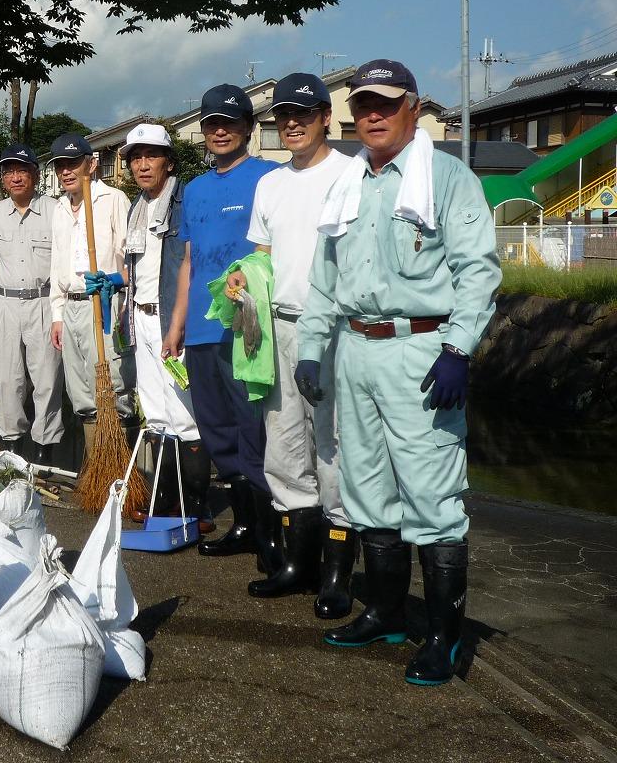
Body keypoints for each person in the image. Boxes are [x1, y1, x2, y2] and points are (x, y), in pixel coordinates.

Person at [296, 59, 500, 686]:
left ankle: (445, 638)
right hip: (355, 350)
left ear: (414, 107)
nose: (373, 115)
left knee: (432, 496)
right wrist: (311, 346)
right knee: (366, 488)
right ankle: (385, 610)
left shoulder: (447, 178)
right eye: (362, 106)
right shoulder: (347, 184)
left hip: (421, 351)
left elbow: (479, 270)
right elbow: (325, 281)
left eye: (385, 103)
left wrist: (459, 349)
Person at [224, 74, 355, 611]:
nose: (293, 122)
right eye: (284, 115)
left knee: (335, 447)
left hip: (335, 330)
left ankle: (337, 572)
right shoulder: (270, 184)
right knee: (283, 445)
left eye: (304, 112)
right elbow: (261, 256)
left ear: (327, 116)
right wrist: (240, 277)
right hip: (275, 325)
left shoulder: (353, 175)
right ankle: (298, 564)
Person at [162, 84, 281, 572]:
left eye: (230, 121)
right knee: (215, 427)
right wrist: (177, 325)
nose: (220, 129)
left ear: (249, 128)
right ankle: (246, 525)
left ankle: (271, 531)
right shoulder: (195, 189)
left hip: (248, 326)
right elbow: (189, 262)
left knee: (254, 426)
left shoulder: (270, 178)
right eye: (211, 122)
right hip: (203, 330)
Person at [119, 122, 212, 530]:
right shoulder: (136, 205)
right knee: (155, 412)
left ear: (168, 161)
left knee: (184, 411)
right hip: (139, 316)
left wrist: (180, 324)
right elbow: (135, 264)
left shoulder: (184, 201)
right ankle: (164, 500)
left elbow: (190, 265)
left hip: (172, 319)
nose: (142, 165)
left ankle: (195, 506)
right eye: (135, 158)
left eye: (150, 156)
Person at [0, 143, 64, 465]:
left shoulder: (55, 210)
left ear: (35, 174)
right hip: (5, 305)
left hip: (44, 303)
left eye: (21, 170)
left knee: (47, 380)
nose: (15, 177)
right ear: (2, 179)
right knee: (8, 380)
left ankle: (44, 452)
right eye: (8, 171)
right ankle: (11, 450)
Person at [47, 133, 136, 470]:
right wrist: (57, 313)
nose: (66, 171)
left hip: (104, 302)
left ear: (91, 163)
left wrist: (121, 298)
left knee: (113, 386)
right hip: (69, 305)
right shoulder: (58, 208)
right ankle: (97, 468)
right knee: (81, 392)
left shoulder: (112, 199)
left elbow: (129, 258)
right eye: (60, 166)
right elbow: (57, 264)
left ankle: (122, 469)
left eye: (73, 163)